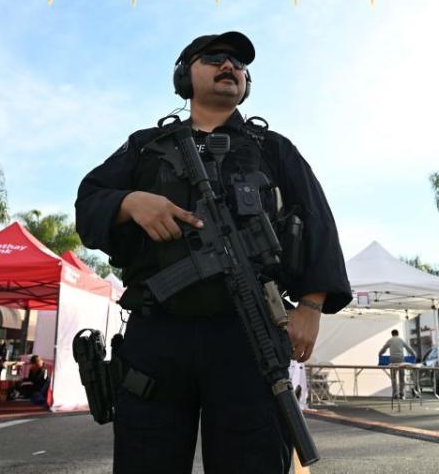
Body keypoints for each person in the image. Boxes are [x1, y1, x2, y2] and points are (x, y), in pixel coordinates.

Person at [76, 31, 351, 474]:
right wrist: (129, 203)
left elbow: (317, 221)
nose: (230, 67)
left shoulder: (272, 149)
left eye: (239, 64)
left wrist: (312, 305)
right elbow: (88, 202)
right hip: (158, 334)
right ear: (185, 75)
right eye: (215, 58)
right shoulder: (145, 146)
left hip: (248, 335)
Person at [378, 329, 417, 399]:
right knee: (401, 377)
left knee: (393, 378)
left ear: (392, 334)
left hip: (392, 361)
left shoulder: (390, 340)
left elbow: (384, 349)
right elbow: (408, 348)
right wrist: (414, 354)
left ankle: (395, 393)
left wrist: (380, 354)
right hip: (401, 360)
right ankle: (401, 394)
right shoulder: (401, 340)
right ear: (398, 334)